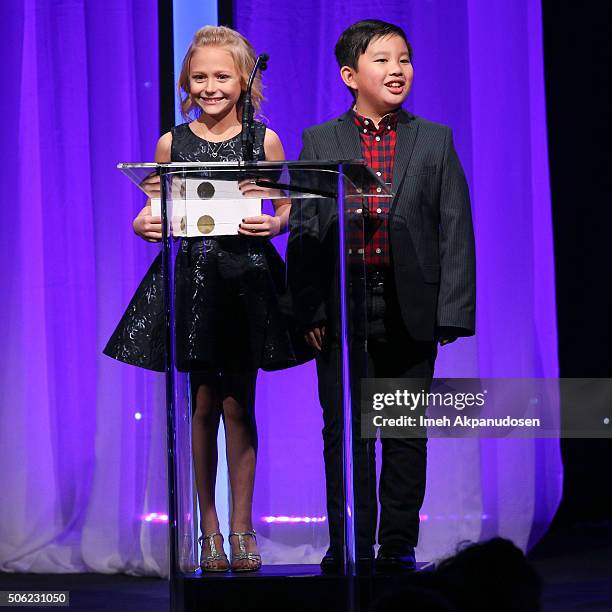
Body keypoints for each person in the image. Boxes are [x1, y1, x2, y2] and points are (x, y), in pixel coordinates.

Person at [105, 25, 308, 572]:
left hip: (247, 279)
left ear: (244, 81)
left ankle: (243, 528)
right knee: (201, 404)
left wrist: (276, 224)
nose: (211, 86)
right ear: (185, 83)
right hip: (195, 278)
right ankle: (208, 528)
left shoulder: (262, 140)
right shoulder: (173, 142)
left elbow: (284, 205)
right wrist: (142, 222)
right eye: (200, 77)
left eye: (222, 76)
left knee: (240, 402)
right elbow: (154, 205)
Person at [287, 20, 476, 572]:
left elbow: (454, 226)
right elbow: (305, 228)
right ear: (350, 75)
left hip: (409, 307)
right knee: (345, 431)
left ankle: (397, 547)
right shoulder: (322, 141)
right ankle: (349, 542)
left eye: (405, 60)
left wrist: (453, 311)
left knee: (402, 432)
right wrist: (310, 307)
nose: (397, 70)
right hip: (343, 306)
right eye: (383, 60)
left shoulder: (433, 138)